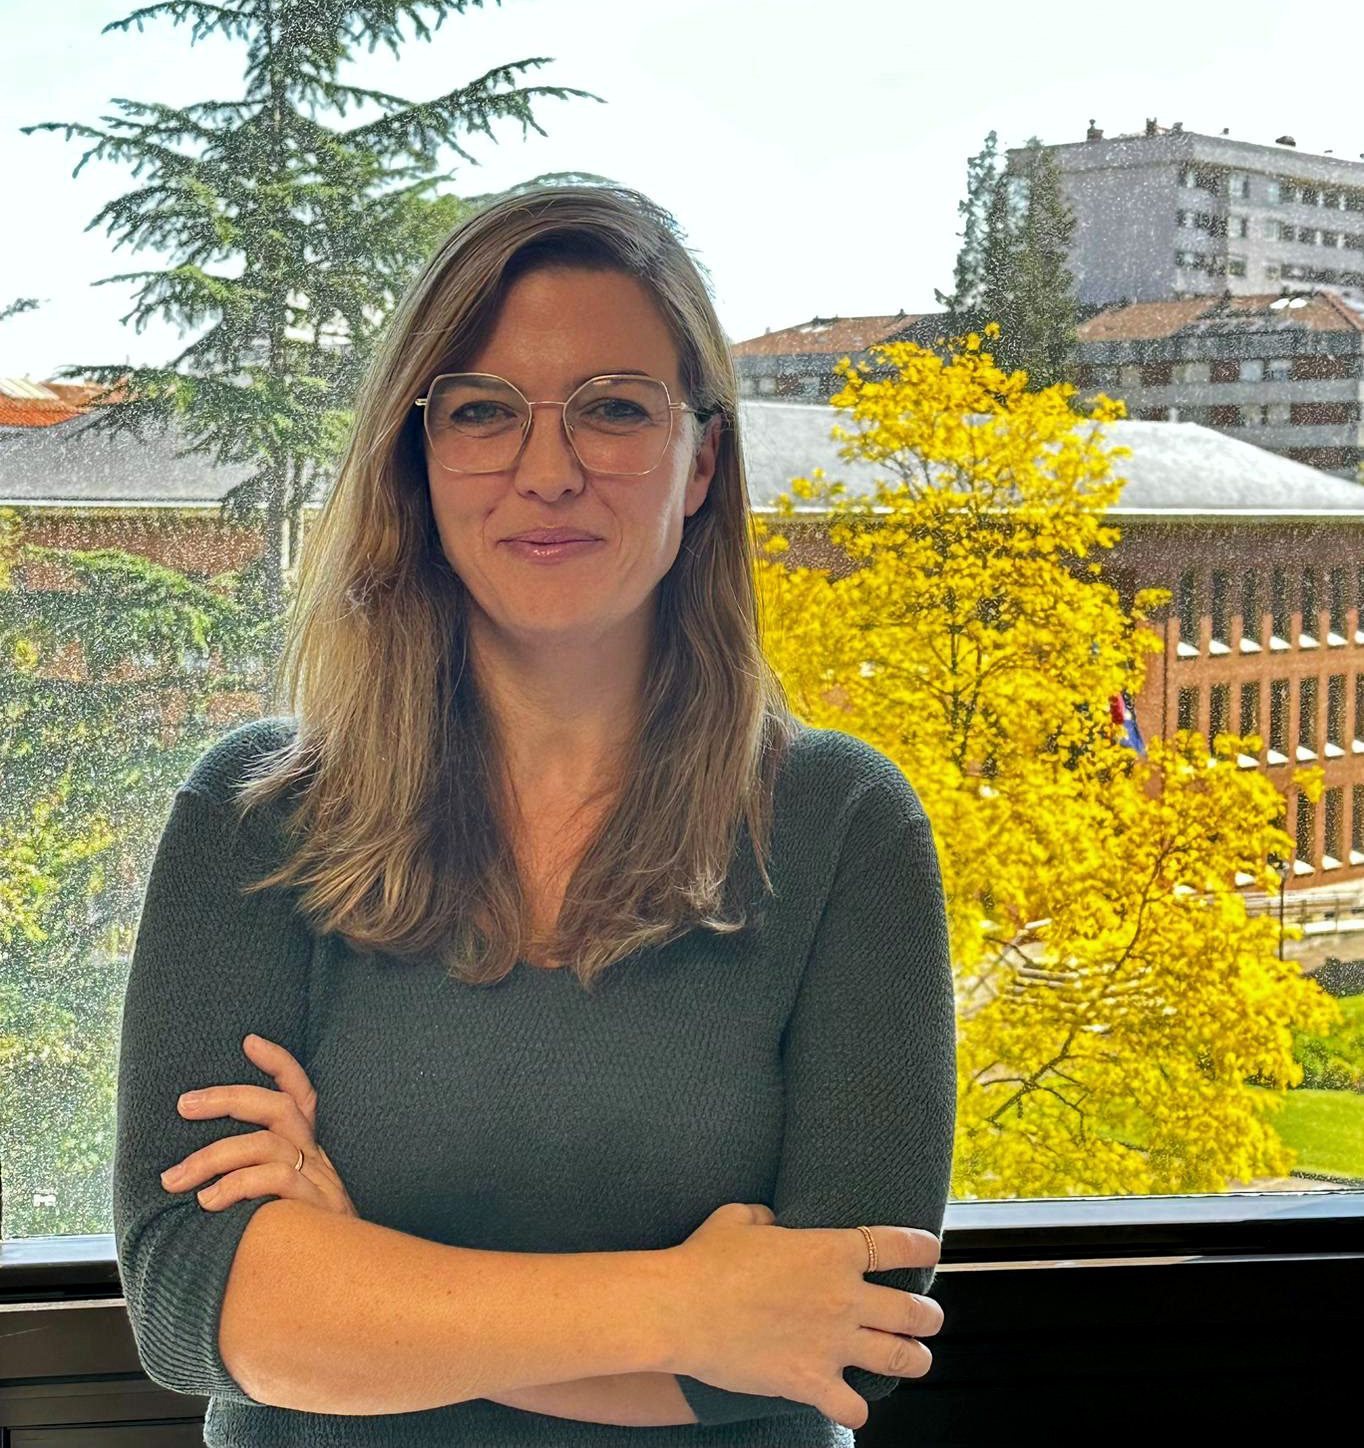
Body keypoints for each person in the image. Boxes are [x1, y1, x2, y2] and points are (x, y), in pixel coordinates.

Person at [112, 184, 957, 1448]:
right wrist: (686, 1305)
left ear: (700, 462)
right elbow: (193, 1301)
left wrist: (358, 1279)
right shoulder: (256, 815)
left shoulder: (844, 827)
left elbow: (844, 1335)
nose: (546, 470)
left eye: (614, 408)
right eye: (481, 411)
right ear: (417, 457)